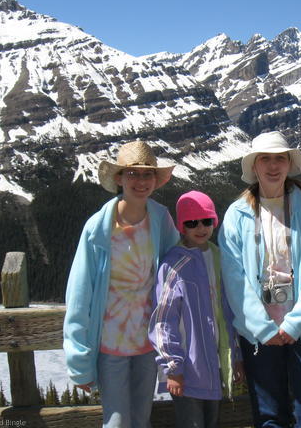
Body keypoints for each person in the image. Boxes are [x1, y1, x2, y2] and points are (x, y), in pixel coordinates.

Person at [218, 131, 301, 428]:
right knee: (269, 416)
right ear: (254, 166)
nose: (272, 166)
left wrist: (295, 323)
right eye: (264, 159)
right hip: (259, 335)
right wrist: (263, 328)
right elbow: (234, 279)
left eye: (279, 158)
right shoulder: (236, 215)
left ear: (288, 164)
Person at [63, 141, 179, 428]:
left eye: (147, 174)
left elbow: (176, 269)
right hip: (109, 344)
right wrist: (79, 361)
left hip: (147, 343)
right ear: (119, 178)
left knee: (142, 419)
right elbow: (79, 295)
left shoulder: (160, 218)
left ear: (155, 179)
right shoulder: (97, 228)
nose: (141, 181)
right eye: (132, 174)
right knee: (116, 422)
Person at [149, 190, 244, 428]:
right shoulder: (173, 264)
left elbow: (230, 313)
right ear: (182, 227)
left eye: (206, 221)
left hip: (217, 364)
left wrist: (237, 357)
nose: (200, 228)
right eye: (192, 223)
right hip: (188, 369)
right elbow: (163, 319)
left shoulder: (219, 257)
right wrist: (172, 366)